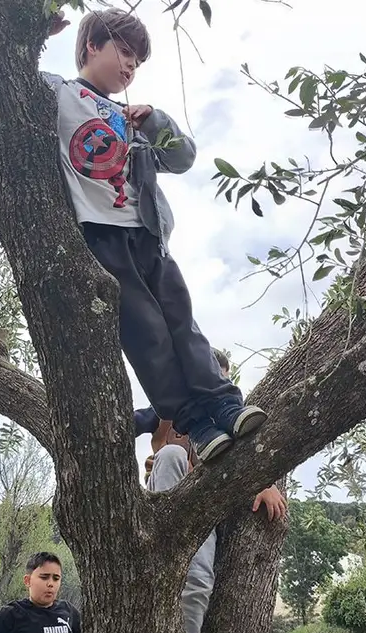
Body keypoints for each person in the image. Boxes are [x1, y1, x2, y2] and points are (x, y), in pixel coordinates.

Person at [43, 9, 267, 463]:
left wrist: (156, 121)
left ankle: (224, 402)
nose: (130, 67)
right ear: (92, 46)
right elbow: (11, 86)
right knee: (146, 332)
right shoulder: (61, 94)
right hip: (101, 237)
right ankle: (195, 423)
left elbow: (182, 157)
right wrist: (34, 34)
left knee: (181, 319)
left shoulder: (135, 117)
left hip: (147, 234)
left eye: (137, 62)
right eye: (124, 53)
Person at [146, 431, 286, 633]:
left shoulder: (220, 411)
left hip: (203, 507)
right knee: (172, 453)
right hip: (164, 511)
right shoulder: (163, 411)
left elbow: (244, 450)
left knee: (198, 580)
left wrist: (264, 482)